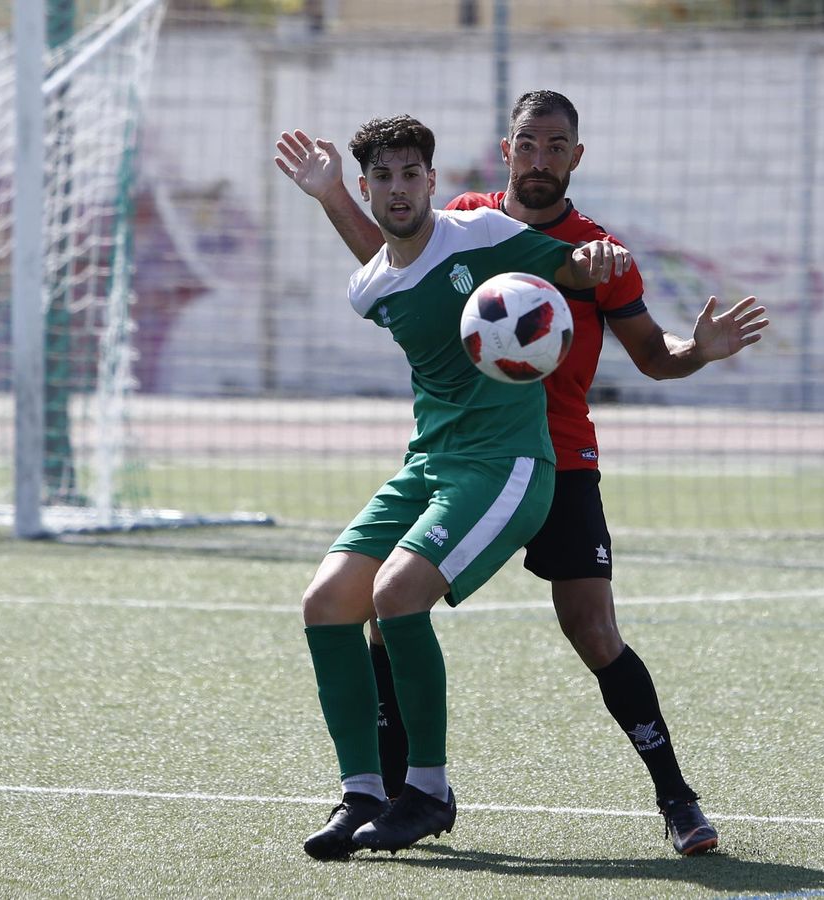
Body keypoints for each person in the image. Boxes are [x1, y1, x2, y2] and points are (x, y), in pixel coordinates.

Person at [275, 90, 767, 856]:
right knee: (368, 610)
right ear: (506, 152)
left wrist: (699, 349)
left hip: (552, 457)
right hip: (451, 457)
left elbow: (649, 354)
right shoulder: (465, 219)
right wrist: (334, 192)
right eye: (527, 145)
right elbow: (395, 266)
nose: (540, 159)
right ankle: (379, 793)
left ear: (576, 156)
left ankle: (675, 796)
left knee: (591, 630)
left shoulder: (590, 247)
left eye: (555, 146)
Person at [287, 114, 634, 860]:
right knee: (325, 604)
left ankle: (429, 789)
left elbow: (567, 266)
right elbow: (395, 266)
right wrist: (327, 197)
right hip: (430, 463)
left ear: (432, 181)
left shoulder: (479, 234)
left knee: (396, 597)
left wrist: (592, 261)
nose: (399, 189)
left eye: (411, 174)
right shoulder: (368, 289)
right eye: (383, 178)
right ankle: (363, 793)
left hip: (508, 462)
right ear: (368, 187)